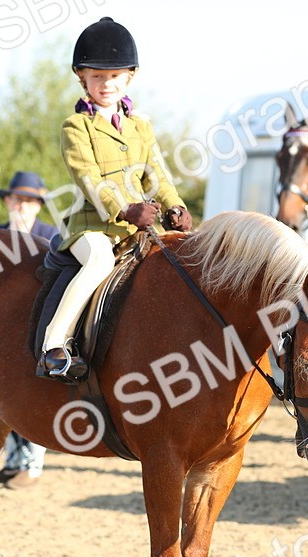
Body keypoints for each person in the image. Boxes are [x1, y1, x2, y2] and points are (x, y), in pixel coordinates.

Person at [36, 16, 193, 382]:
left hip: (139, 226)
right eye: (96, 77)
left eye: (114, 76)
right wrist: (124, 208)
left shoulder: (141, 127)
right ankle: (53, 346)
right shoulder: (75, 127)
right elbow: (87, 177)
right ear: (82, 79)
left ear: (129, 78)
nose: (106, 84)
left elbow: (156, 174)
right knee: (98, 263)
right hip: (93, 228)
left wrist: (175, 205)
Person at [0, 170, 55, 487]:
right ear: (8, 201)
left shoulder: (52, 235)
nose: (22, 206)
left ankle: (32, 465)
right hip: (1, 328)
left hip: (37, 323)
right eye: (18, 199)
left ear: (38, 206)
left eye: (29, 201)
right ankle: (13, 460)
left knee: (33, 392)